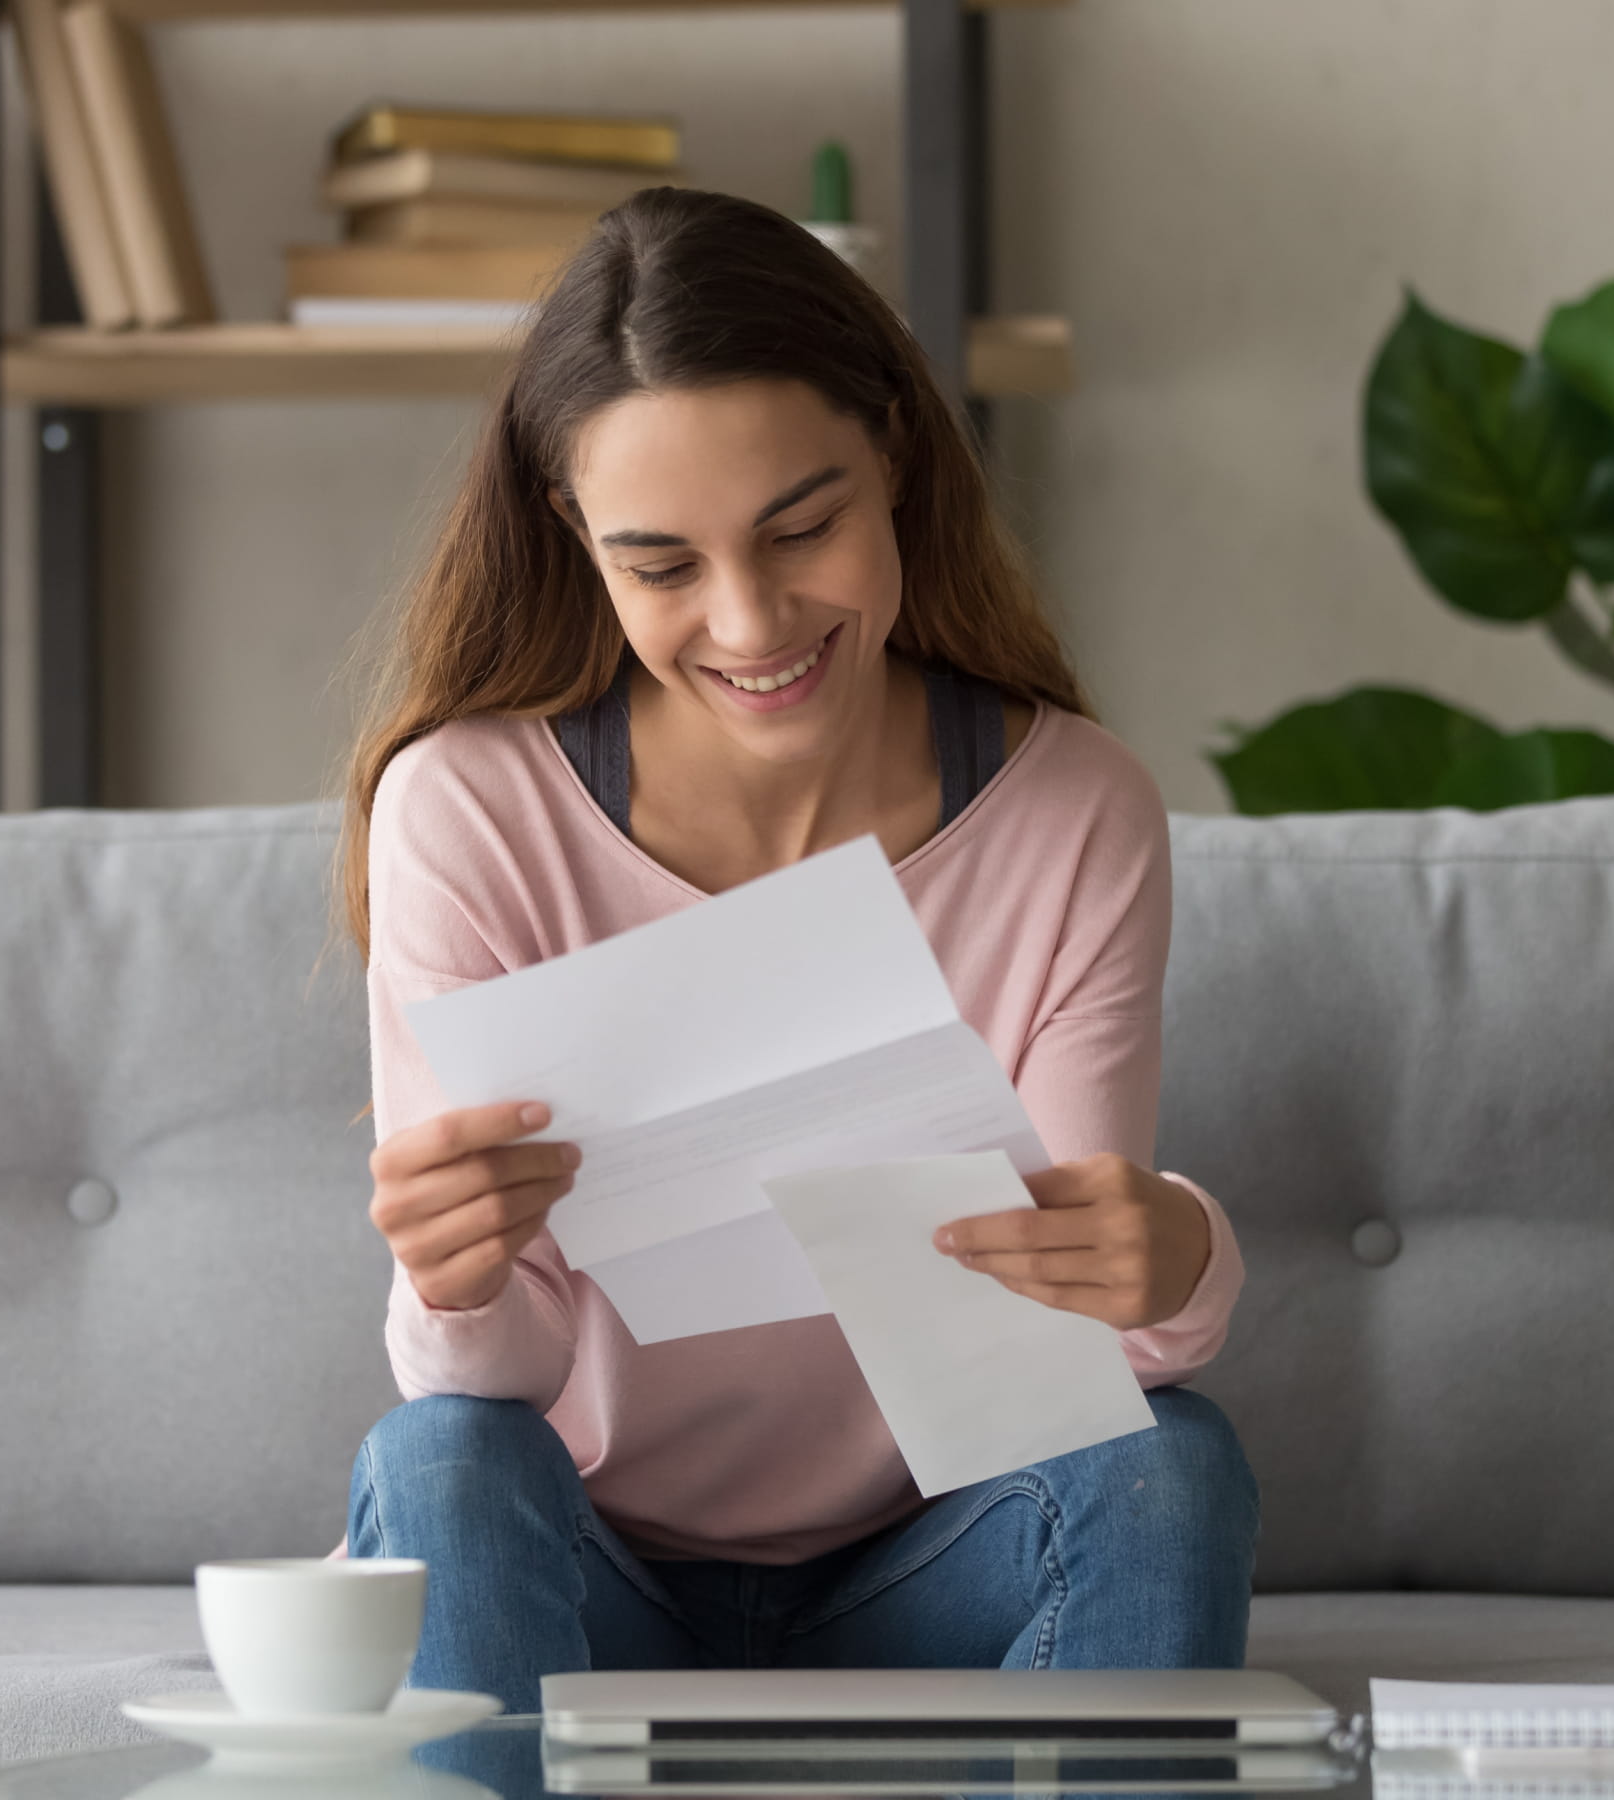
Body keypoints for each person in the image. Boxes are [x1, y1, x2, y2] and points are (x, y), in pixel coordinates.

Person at [335, 187, 1258, 1717]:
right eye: (663, 564)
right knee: (434, 1457)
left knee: (1173, 1470)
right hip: (587, 1567)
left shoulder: (1073, 811)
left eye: (802, 526)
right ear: (577, 538)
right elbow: (485, 1392)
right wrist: (453, 1281)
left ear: (894, 451)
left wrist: (1177, 1252)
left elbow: (1079, 1357)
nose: (750, 620)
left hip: (933, 1564)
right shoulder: (471, 811)